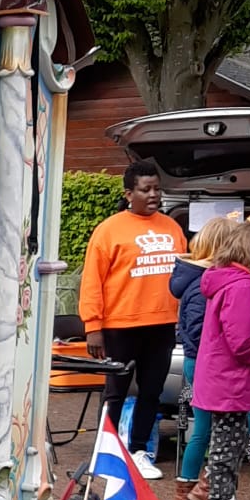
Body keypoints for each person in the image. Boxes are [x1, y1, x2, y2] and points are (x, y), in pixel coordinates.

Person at [80, 161, 187, 478]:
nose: (154, 194)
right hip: (120, 326)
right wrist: (93, 328)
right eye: (146, 189)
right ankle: (106, 451)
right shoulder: (109, 229)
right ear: (129, 194)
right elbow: (92, 281)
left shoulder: (172, 227)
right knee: (116, 393)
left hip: (163, 325)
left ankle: (139, 451)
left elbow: (183, 274)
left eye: (157, 188)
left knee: (151, 392)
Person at [192, 220, 250, 500]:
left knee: (231, 441)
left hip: (225, 379)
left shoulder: (229, 281)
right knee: (227, 444)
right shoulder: (242, 286)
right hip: (230, 381)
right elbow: (244, 342)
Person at [169, 216, 234, 500]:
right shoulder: (201, 284)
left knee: (206, 427)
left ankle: (191, 488)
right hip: (202, 361)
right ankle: (198, 487)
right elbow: (196, 329)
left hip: (199, 360)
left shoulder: (196, 280)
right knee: (221, 425)